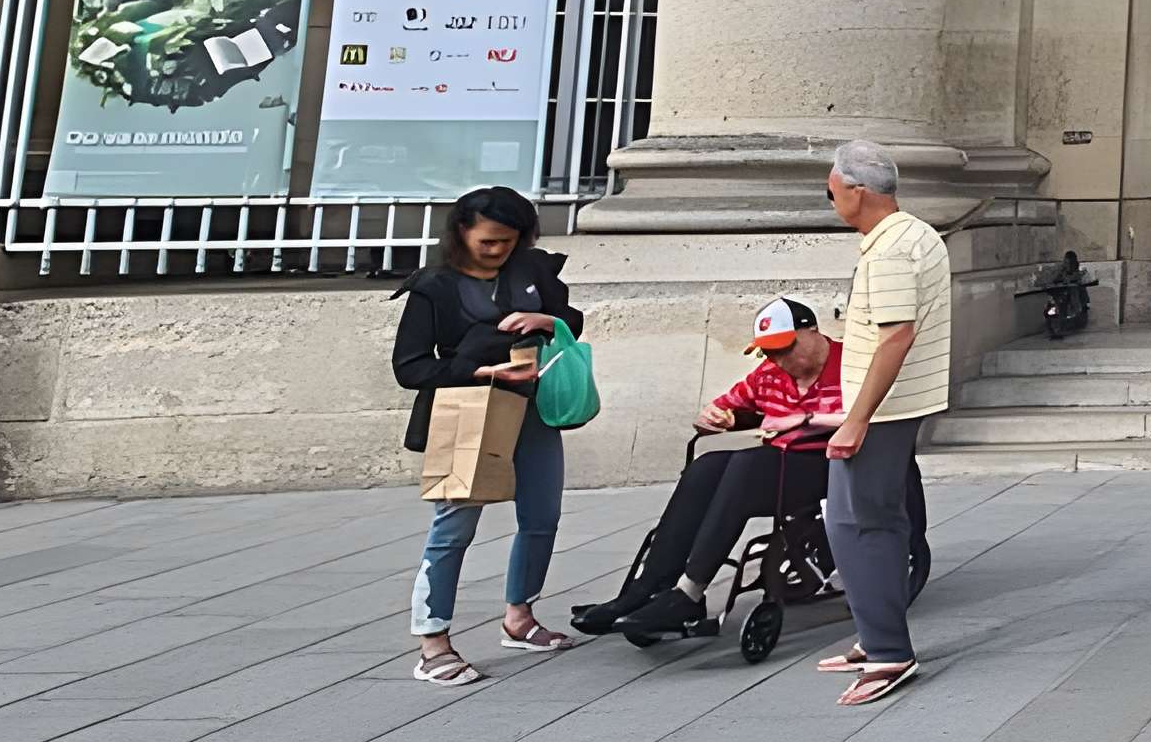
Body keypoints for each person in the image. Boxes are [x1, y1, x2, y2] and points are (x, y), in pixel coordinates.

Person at [388, 186, 584, 684]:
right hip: (467, 409)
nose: (497, 250)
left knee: (542, 516)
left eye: (508, 241)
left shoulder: (534, 270)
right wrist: (481, 372)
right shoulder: (434, 285)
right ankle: (433, 642)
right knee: (453, 526)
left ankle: (519, 617)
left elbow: (571, 321)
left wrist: (548, 320)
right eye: (488, 241)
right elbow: (410, 368)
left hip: (534, 409)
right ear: (461, 232)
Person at [569, 299, 845, 640]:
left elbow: (870, 413)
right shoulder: (770, 373)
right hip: (775, 469)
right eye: (768, 353)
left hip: (830, 466)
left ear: (812, 332)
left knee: (747, 464)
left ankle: (690, 591)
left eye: (785, 349)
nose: (778, 360)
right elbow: (723, 406)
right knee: (707, 466)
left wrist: (803, 419)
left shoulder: (849, 363)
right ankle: (648, 589)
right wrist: (714, 417)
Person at [810, 140, 949, 705]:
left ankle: (889, 651)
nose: (831, 198)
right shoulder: (915, 234)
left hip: (883, 408)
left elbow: (896, 335)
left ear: (856, 190)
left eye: (831, 189)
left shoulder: (890, 249)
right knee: (881, 523)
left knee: (854, 525)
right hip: (899, 403)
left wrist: (855, 419)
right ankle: (877, 638)